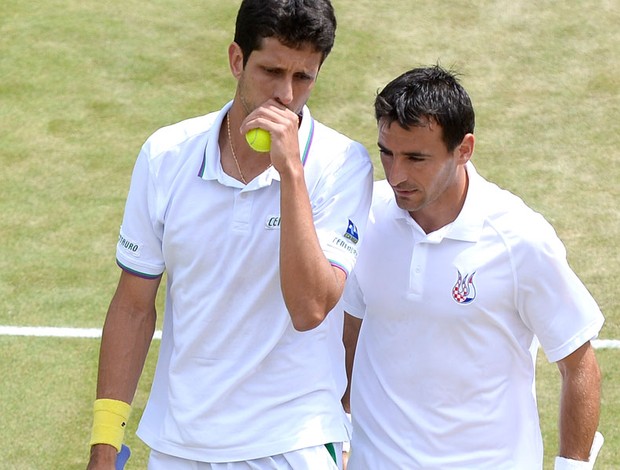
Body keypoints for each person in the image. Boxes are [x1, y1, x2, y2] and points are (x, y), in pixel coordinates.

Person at [86, 1, 373, 469]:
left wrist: (292, 173)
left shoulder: (342, 165)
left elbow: (311, 308)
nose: (285, 95)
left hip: (292, 442)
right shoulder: (165, 155)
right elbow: (133, 307)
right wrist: (103, 445)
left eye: (304, 78)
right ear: (237, 60)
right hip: (180, 445)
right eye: (272, 71)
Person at [342, 65, 604, 469]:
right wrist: (340, 426)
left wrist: (572, 466)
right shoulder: (366, 216)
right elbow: (352, 329)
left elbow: (578, 363)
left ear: (464, 149)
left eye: (416, 158)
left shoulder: (520, 238)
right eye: (387, 153)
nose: (396, 175)